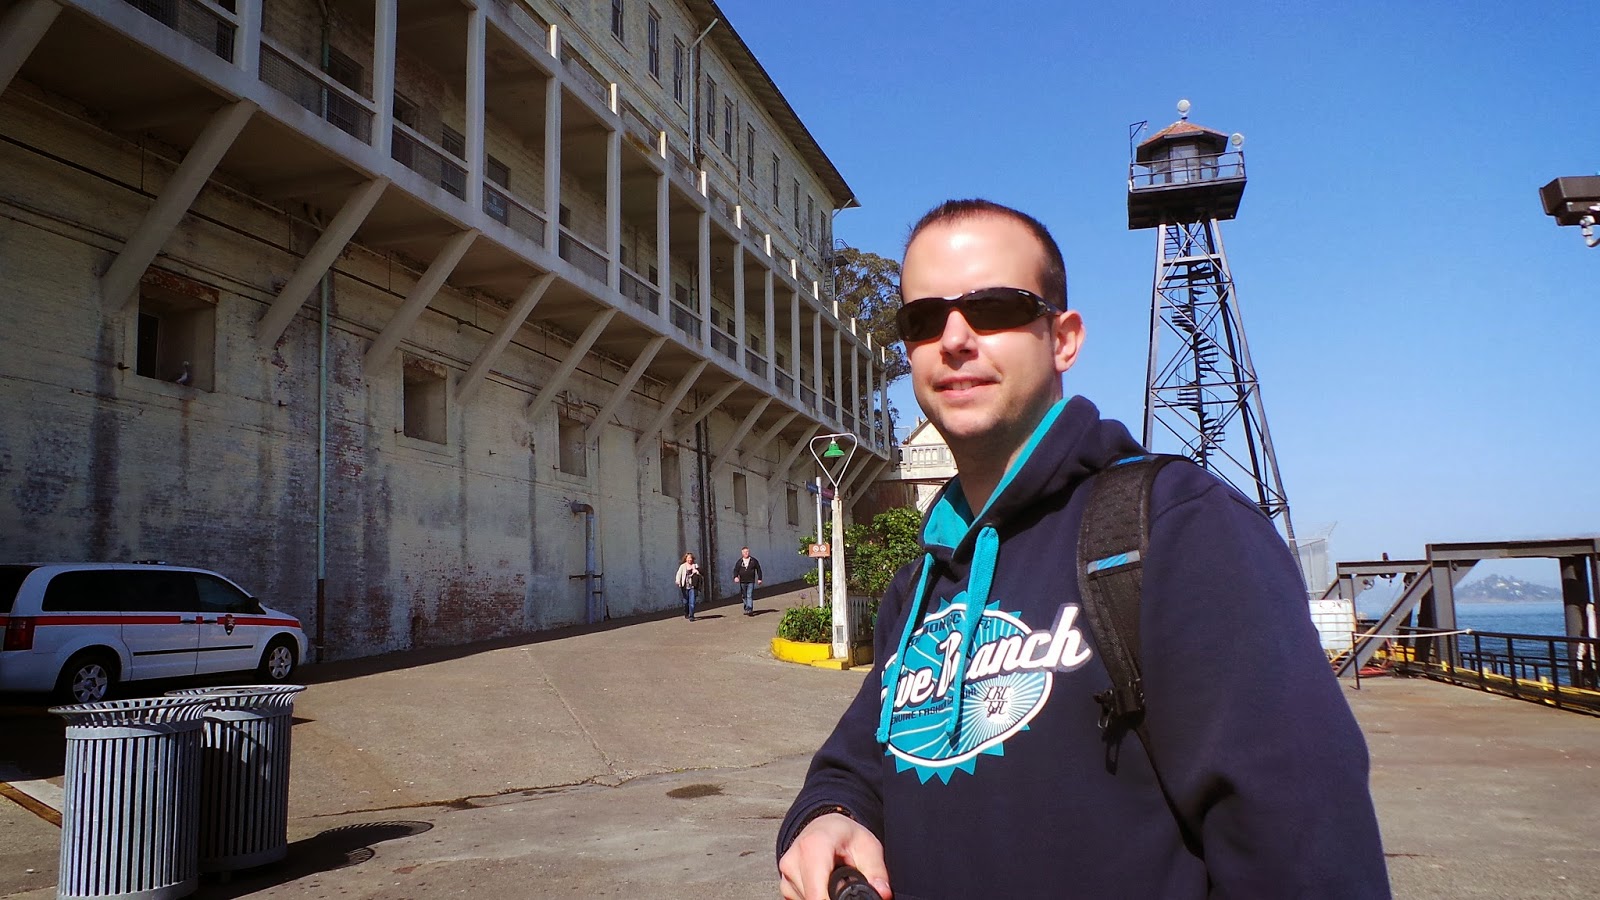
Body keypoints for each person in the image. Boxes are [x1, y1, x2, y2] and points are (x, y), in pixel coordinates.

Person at [775, 199, 1389, 900]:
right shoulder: (918, 585)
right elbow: (853, 765)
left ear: (1063, 338)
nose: (954, 339)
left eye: (995, 308)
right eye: (923, 319)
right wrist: (827, 816)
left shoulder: (1178, 531)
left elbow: (1305, 853)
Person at [732, 546, 764, 616]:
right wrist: (735, 577)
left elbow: (759, 569)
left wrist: (759, 579)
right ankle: (746, 607)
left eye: (747, 552)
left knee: (749, 595)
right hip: (742, 581)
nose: (746, 553)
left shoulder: (753, 561)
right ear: (742, 553)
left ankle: (750, 609)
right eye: (744, 552)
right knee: (744, 595)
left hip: (751, 581)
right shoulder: (739, 562)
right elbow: (736, 570)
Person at [675, 553, 703, 621]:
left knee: (692, 602)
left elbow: (701, 573)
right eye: (688, 558)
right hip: (684, 587)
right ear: (686, 559)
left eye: (691, 558)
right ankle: (686, 613)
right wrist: (678, 581)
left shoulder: (695, 565)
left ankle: (691, 616)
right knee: (685, 602)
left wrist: (696, 571)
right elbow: (679, 574)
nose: (690, 559)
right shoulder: (683, 566)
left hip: (693, 586)